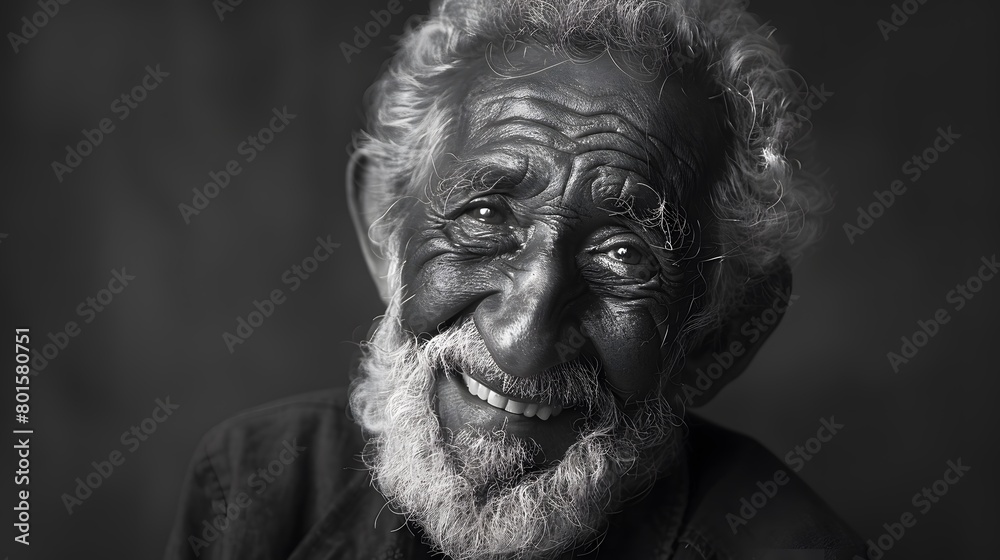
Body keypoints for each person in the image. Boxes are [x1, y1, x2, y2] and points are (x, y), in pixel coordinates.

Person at [165, 1, 864, 558]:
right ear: (387, 230)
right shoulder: (257, 492)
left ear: (724, 335)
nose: (522, 339)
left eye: (626, 256)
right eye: (484, 213)